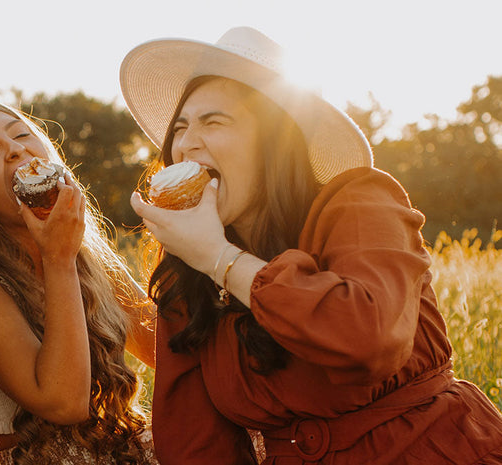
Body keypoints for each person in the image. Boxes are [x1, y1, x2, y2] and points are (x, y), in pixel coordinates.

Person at [123, 26, 502, 464]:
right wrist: (203, 261)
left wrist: (221, 259)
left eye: (214, 121)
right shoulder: (187, 272)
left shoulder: (360, 203)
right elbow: (195, 442)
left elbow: (367, 338)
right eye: (180, 127)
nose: (186, 143)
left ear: (275, 143)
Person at [0, 100, 157, 464]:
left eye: (21, 134)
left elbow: (162, 348)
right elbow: (62, 403)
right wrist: (59, 260)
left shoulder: (83, 249)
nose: (14, 149)